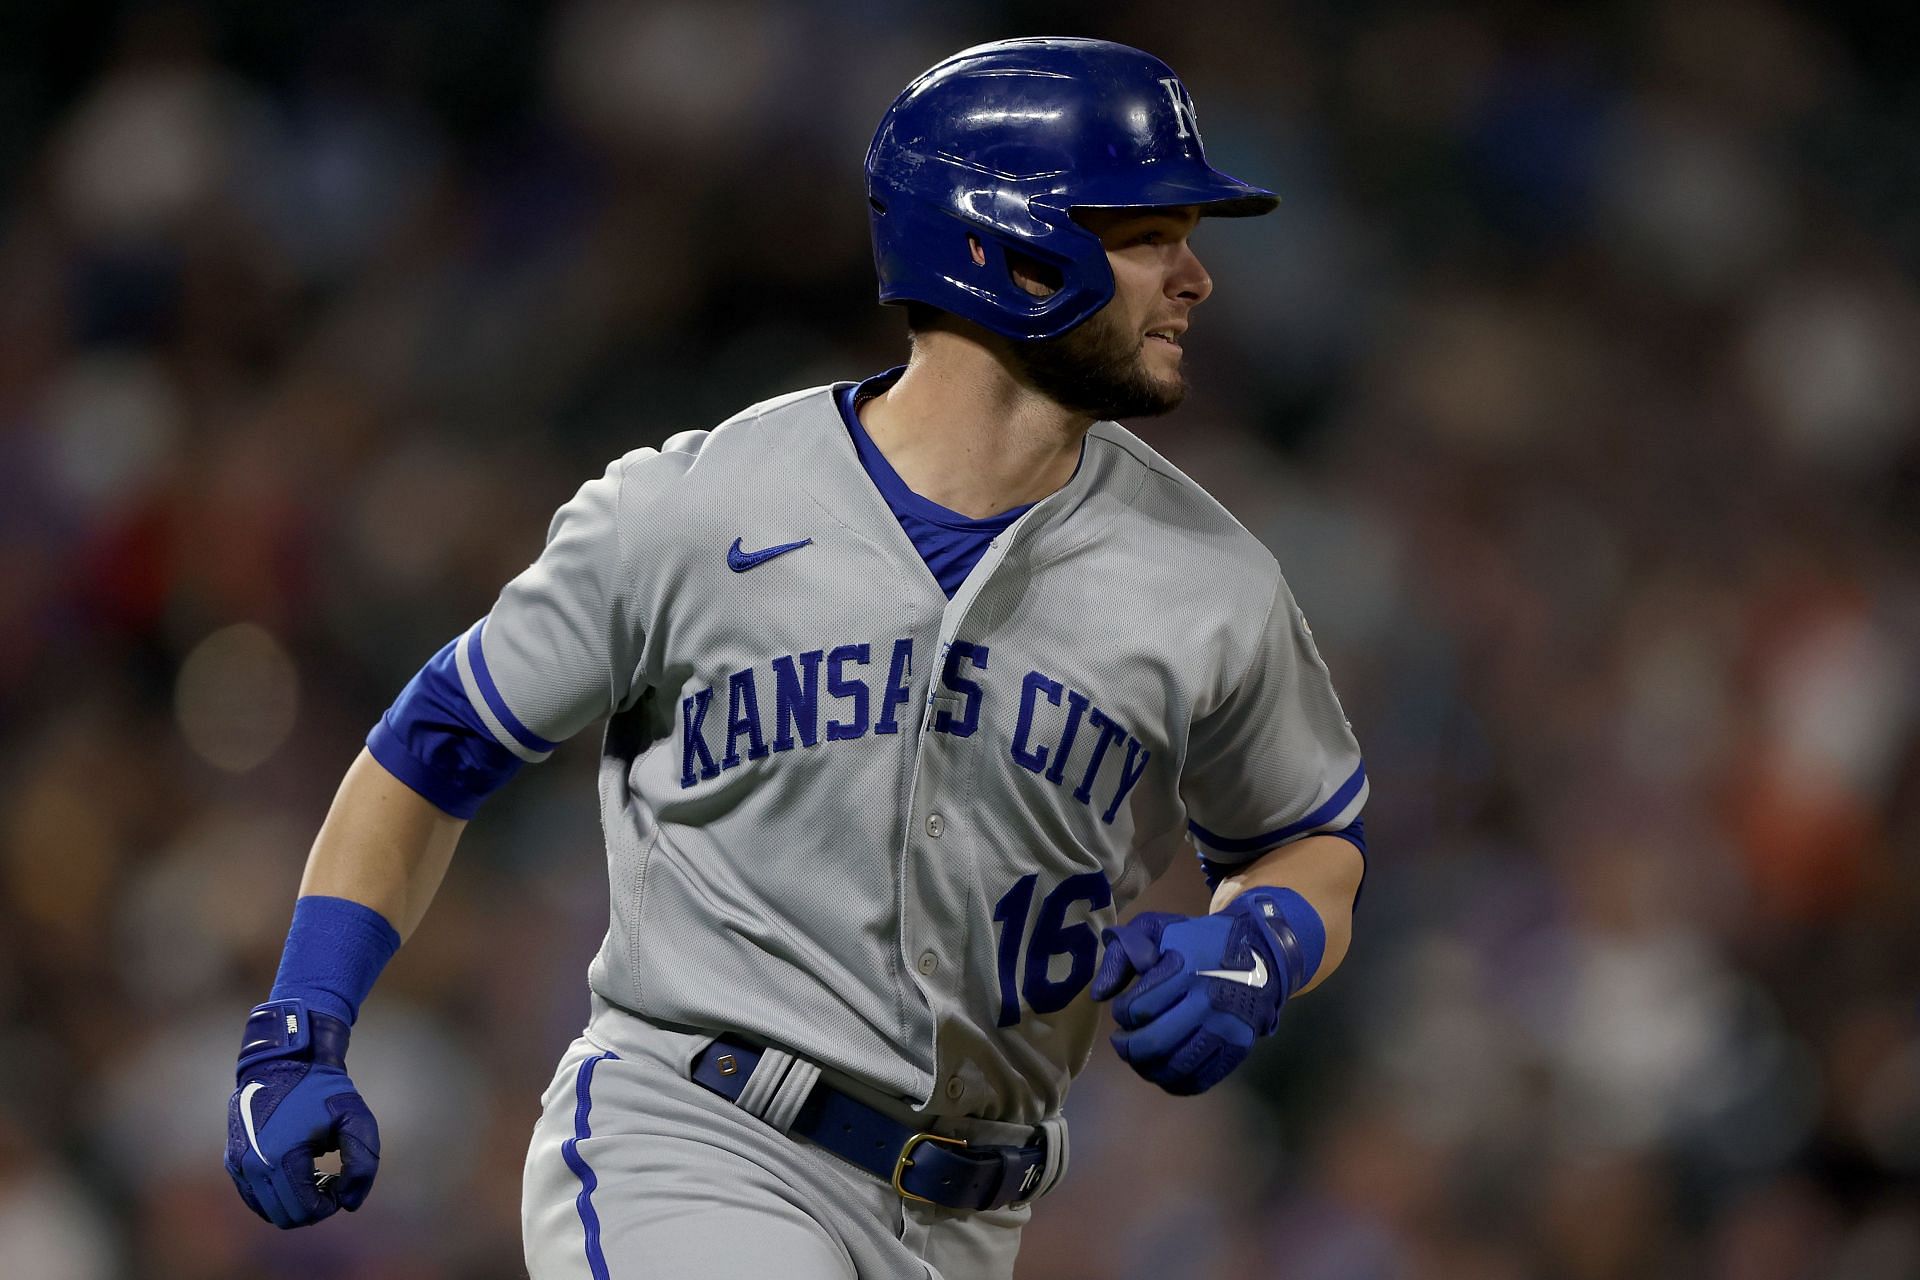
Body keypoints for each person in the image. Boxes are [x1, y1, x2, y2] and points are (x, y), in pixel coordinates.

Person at [223, 37, 1368, 1279]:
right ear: (1007, 243)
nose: (1194, 278)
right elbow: (433, 746)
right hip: (695, 1143)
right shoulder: (695, 507)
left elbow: (1307, 839)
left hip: (973, 1215)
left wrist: (1265, 940)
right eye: (1152, 235)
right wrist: (300, 1022)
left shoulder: (1212, 579)